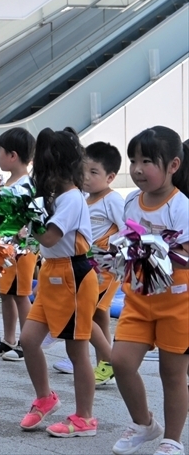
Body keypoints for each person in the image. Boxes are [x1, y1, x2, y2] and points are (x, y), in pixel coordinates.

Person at [110, 127, 189, 455]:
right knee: (120, 361)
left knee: (171, 372)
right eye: (133, 160)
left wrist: (159, 250)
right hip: (139, 297)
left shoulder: (180, 205)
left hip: (177, 301)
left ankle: (172, 439)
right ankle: (144, 424)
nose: (138, 168)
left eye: (147, 161)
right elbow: (128, 241)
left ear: (173, 165)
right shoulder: (131, 200)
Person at [18, 128, 98, 437]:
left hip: (73, 276)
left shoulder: (73, 198)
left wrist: (25, 217)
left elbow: (49, 236)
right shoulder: (52, 198)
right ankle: (44, 397)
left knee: (77, 352)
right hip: (51, 272)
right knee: (28, 340)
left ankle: (85, 417)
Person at [52, 142, 124, 382]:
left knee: (87, 309)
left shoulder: (112, 200)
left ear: (111, 177)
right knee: (97, 313)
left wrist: (109, 246)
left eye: (95, 172)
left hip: (106, 268)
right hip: (89, 264)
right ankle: (102, 361)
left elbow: (128, 230)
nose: (87, 177)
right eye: (84, 171)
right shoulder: (81, 197)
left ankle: (105, 360)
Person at [0, 127, 37, 361]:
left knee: (20, 295)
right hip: (4, 250)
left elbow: (22, 220)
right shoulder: (8, 182)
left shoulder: (25, 185)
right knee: (6, 294)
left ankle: (28, 342)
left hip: (20, 251)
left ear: (12, 155)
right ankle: (8, 339)